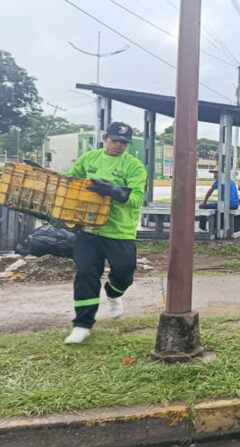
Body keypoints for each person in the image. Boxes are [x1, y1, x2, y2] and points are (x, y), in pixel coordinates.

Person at [63, 122, 147, 344]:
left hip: (119, 231)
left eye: (124, 143)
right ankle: (82, 324)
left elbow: (137, 198)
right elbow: (70, 180)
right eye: (115, 140)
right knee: (86, 274)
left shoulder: (134, 166)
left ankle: (114, 292)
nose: (119, 145)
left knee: (124, 271)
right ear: (105, 138)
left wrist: (115, 191)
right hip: (89, 229)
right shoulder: (89, 159)